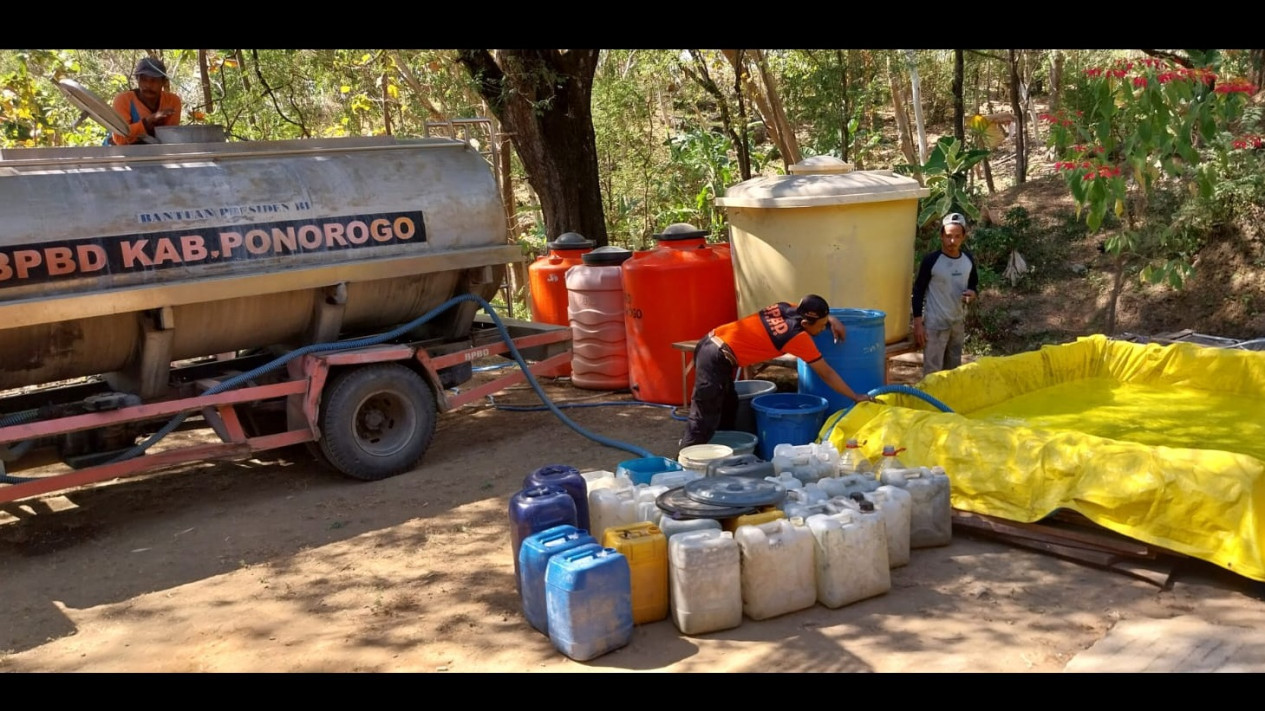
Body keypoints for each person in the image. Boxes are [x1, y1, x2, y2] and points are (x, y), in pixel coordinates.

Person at [680, 294, 880, 448]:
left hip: (712, 342)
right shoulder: (797, 337)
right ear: (805, 324)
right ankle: (686, 461)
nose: (821, 330)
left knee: (727, 405)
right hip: (715, 357)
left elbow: (807, 310)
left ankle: (721, 451)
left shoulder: (785, 307)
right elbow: (826, 373)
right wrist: (855, 396)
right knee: (704, 414)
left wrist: (831, 319)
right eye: (820, 327)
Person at [912, 212, 980, 376]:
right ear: (941, 235)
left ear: (963, 236)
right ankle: (929, 401)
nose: (952, 241)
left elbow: (973, 284)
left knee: (953, 372)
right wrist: (918, 324)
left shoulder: (968, 259)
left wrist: (972, 293)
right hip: (935, 325)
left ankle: (948, 402)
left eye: (957, 236)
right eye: (948, 236)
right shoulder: (931, 260)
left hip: (957, 324)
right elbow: (918, 291)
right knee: (932, 373)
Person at [110, 57, 181, 145]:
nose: (148, 85)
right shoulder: (123, 100)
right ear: (137, 80)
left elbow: (170, 138)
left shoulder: (172, 101)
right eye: (143, 80)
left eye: (154, 80)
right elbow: (119, 139)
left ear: (164, 82)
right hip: (122, 155)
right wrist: (148, 121)